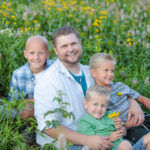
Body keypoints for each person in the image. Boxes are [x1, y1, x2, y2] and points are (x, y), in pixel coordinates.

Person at [34, 27, 144, 150]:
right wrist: (88, 140)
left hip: (104, 135)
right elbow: (48, 126)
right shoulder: (47, 81)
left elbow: (113, 89)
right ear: (55, 50)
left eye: (73, 44)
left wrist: (132, 101)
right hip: (68, 144)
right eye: (64, 46)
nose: (70, 49)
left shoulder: (91, 72)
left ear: (80, 45)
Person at [89, 52, 150, 143]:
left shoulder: (120, 86)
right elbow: (104, 122)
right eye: (106, 70)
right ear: (93, 72)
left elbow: (141, 99)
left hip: (144, 117)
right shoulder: (97, 96)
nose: (110, 74)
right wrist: (126, 125)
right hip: (131, 129)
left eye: (112, 71)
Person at [9, 35, 54, 120]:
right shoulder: (18, 74)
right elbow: (13, 101)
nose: (36, 57)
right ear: (25, 54)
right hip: (29, 118)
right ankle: (27, 131)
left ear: (48, 54)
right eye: (32, 53)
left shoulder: (55, 68)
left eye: (40, 53)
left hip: (51, 115)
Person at [77, 85, 133, 150]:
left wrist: (120, 128)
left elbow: (124, 133)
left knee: (127, 143)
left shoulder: (110, 115)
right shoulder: (85, 121)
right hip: (106, 148)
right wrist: (109, 138)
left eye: (103, 105)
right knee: (125, 145)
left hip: (121, 146)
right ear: (86, 104)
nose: (99, 109)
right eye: (95, 104)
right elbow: (92, 143)